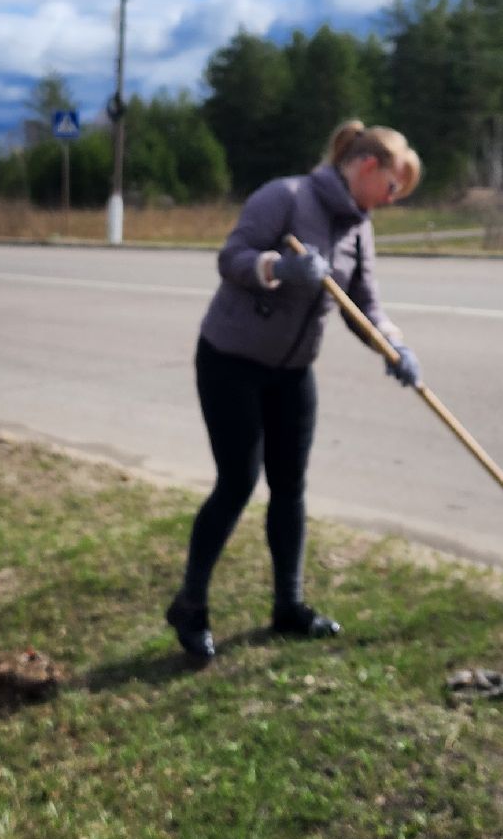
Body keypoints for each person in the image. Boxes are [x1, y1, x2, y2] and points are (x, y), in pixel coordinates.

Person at [164, 119, 424, 667]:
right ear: (369, 167)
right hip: (231, 361)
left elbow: (366, 307)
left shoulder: (359, 226)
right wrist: (280, 268)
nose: (393, 200)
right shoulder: (285, 197)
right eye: (395, 187)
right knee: (237, 483)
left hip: (292, 372)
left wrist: (395, 347)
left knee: (290, 488)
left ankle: (289, 605)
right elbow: (231, 258)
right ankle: (190, 606)